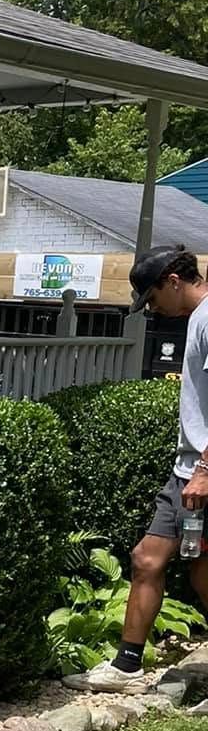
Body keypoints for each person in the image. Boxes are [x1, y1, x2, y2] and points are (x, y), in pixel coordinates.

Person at [67, 242, 208, 691]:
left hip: (203, 470)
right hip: (186, 468)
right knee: (147, 558)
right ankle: (126, 668)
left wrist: (205, 472)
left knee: (205, 573)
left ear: (173, 280)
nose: (153, 309)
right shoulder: (197, 321)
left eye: (152, 298)